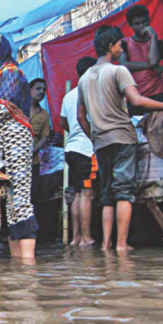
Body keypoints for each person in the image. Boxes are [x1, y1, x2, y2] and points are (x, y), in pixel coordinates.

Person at [77, 26, 163, 251]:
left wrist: (94, 136)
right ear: (111, 46)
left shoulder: (84, 79)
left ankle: (106, 245)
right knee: (123, 192)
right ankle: (121, 245)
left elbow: (80, 116)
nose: (122, 49)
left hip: (101, 142)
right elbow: (137, 100)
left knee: (107, 194)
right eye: (119, 45)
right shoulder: (118, 71)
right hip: (122, 137)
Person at [0, 33, 38, 259]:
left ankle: (27, 264)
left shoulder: (11, 72)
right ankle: (18, 263)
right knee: (8, 203)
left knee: (20, 199)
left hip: (16, 139)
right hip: (0, 142)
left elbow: (4, 107)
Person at [60, 57, 98, 247]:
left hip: (71, 149)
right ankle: (86, 237)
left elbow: (62, 122)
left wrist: (74, 131)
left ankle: (75, 238)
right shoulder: (90, 92)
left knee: (75, 194)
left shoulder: (68, 96)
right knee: (87, 194)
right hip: (85, 149)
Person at [120, 5, 163, 115]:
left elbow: (154, 61)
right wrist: (150, 65)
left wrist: (154, 38)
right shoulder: (125, 43)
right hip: (136, 95)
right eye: (137, 24)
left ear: (149, 21)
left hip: (157, 93)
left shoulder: (157, 43)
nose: (141, 26)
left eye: (144, 22)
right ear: (131, 26)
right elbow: (124, 65)